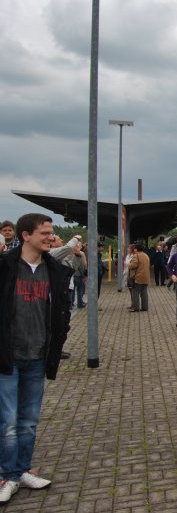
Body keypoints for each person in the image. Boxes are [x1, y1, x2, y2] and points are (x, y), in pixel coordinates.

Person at [0, 213, 72, 506]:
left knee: (29, 421)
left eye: (51, 232)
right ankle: (8, 476)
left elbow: (61, 312)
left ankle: (22, 470)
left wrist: (59, 340)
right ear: (26, 235)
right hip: (8, 357)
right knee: (8, 423)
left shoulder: (54, 270)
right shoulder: (5, 268)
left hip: (37, 357)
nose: (50, 236)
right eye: (44, 232)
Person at [128, 243, 150, 312]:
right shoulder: (146, 255)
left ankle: (136, 308)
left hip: (138, 277)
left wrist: (129, 265)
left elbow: (133, 265)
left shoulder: (136, 255)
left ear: (136, 249)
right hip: (146, 277)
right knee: (144, 293)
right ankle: (145, 307)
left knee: (135, 292)